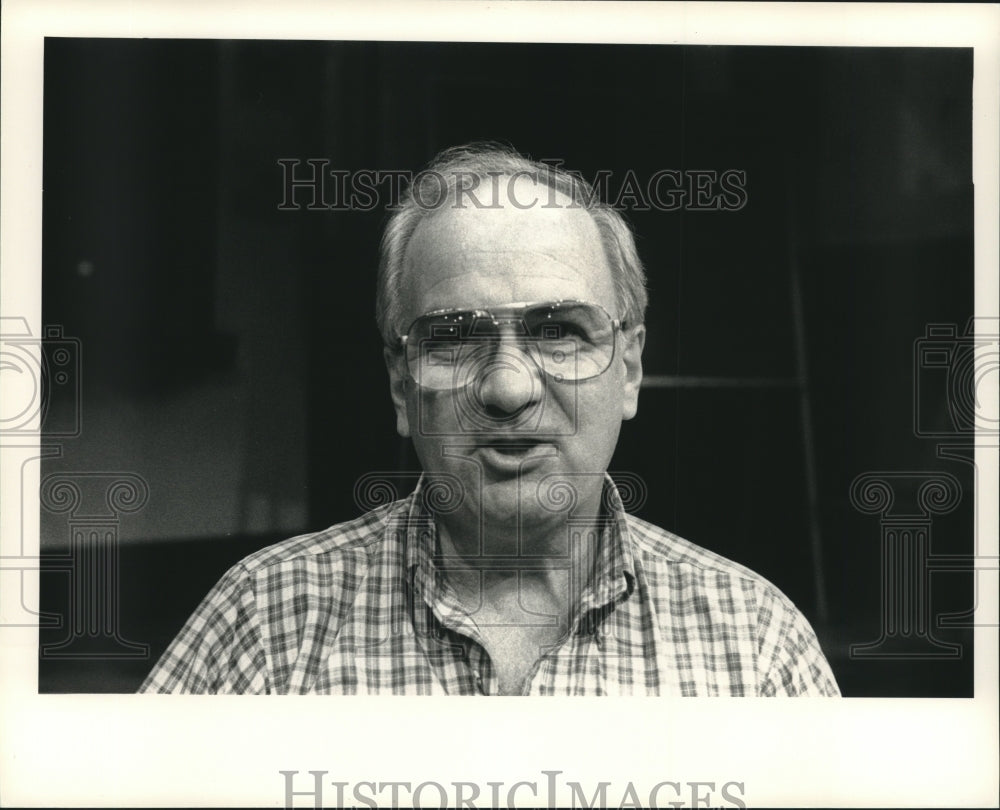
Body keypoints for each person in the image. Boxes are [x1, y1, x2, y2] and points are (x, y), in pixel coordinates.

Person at [140, 143, 840, 696]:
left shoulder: (757, 646)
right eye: (452, 336)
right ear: (398, 384)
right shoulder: (262, 623)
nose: (506, 388)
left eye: (560, 330)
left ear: (628, 370)